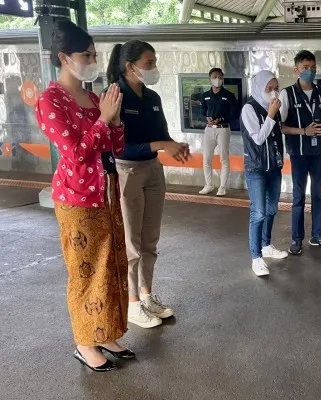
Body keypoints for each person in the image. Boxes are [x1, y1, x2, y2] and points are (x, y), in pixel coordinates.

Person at [35, 20, 133, 372]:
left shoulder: (93, 97)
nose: (91, 60)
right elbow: (75, 153)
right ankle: (84, 341)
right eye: (85, 54)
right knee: (85, 271)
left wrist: (116, 122)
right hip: (77, 198)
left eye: (94, 54)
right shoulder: (50, 100)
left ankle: (105, 332)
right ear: (64, 57)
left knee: (111, 265)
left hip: (106, 191)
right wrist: (104, 121)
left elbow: (114, 147)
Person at [106, 40, 191, 329]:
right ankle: (131, 304)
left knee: (150, 240)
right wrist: (162, 144)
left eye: (154, 62)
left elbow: (162, 133)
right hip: (128, 172)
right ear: (130, 67)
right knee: (132, 242)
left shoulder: (152, 97)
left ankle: (146, 295)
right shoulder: (115, 95)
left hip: (153, 170)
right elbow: (120, 148)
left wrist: (175, 146)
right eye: (149, 63)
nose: (154, 68)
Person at [279, 50, 321, 255]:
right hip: (299, 153)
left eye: (313, 68)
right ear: (296, 69)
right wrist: (304, 131)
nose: (310, 72)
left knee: (319, 196)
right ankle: (296, 239)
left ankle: (318, 235)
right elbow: (281, 126)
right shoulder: (287, 94)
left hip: (320, 152)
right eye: (305, 68)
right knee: (298, 197)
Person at [240, 70, 289, 276]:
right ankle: (256, 256)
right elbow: (258, 139)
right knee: (258, 212)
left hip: (274, 167)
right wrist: (270, 115)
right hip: (256, 168)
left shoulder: (275, 109)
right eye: (269, 89)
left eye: (276, 88)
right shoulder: (249, 109)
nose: (273, 92)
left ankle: (266, 245)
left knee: (271, 209)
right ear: (259, 89)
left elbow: (278, 135)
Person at [199, 67, 239, 197]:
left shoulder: (228, 95)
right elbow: (202, 112)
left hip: (223, 129)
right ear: (210, 79)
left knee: (224, 159)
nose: (217, 80)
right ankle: (209, 185)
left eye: (220, 77)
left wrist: (221, 119)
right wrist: (207, 119)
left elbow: (235, 113)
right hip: (209, 130)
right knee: (206, 158)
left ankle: (222, 187)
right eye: (215, 77)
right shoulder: (205, 96)